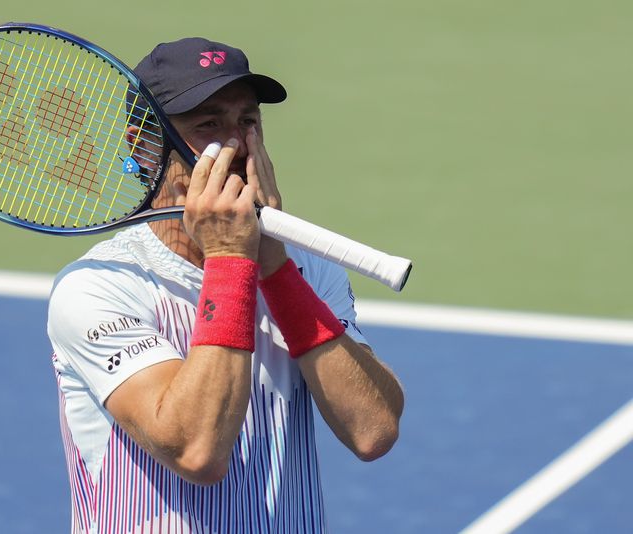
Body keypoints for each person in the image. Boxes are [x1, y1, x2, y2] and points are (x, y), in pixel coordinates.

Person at [47, 37, 404, 534]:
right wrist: (233, 258)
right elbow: (197, 451)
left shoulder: (308, 269)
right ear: (143, 146)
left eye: (248, 122)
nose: (235, 145)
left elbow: (374, 430)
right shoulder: (99, 288)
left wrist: (274, 265)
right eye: (208, 125)